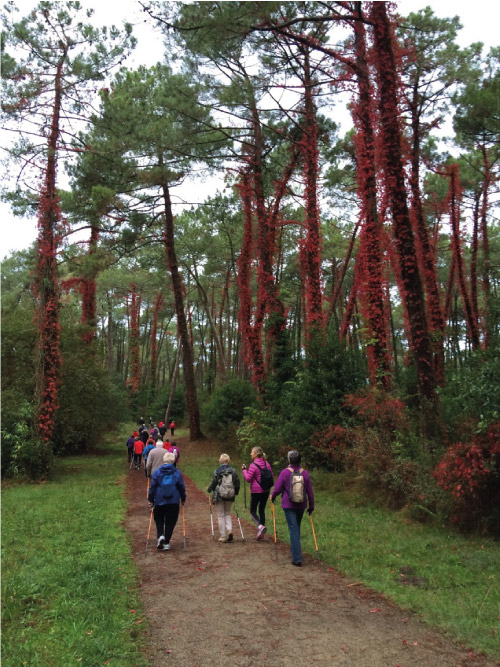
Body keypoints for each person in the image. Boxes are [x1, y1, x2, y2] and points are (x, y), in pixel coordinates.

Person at [271, 450, 314, 567]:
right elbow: (310, 492)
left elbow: (277, 488)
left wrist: (272, 497)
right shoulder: (304, 473)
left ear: (289, 460)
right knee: (296, 528)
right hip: (301, 504)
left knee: (293, 529)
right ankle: (295, 551)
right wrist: (311, 506)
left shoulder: (285, 473)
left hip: (288, 505)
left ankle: (297, 558)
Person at [148, 451, 186, 550]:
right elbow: (181, 486)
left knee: (159, 519)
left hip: (159, 500)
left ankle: (160, 535)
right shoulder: (177, 472)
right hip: (173, 501)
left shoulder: (157, 472)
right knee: (171, 521)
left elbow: (152, 487)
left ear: (163, 460)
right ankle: (167, 542)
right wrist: (183, 498)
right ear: (173, 461)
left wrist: (150, 499)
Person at [242, 446, 273, 540]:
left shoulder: (253, 465)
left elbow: (248, 479)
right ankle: (261, 533)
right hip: (266, 490)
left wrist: (244, 470)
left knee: (252, 511)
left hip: (256, 491)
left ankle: (260, 527)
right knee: (261, 510)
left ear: (256, 454)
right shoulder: (266, 463)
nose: (251, 454)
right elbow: (271, 475)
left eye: (252, 452)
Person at [207, 454, 240, 543]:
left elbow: (213, 482)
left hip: (219, 495)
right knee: (227, 513)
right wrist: (235, 492)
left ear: (220, 461)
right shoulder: (233, 471)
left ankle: (223, 536)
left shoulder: (217, 471)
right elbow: (237, 483)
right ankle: (229, 529)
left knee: (220, 515)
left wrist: (209, 489)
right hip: (230, 494)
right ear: (228, 461)